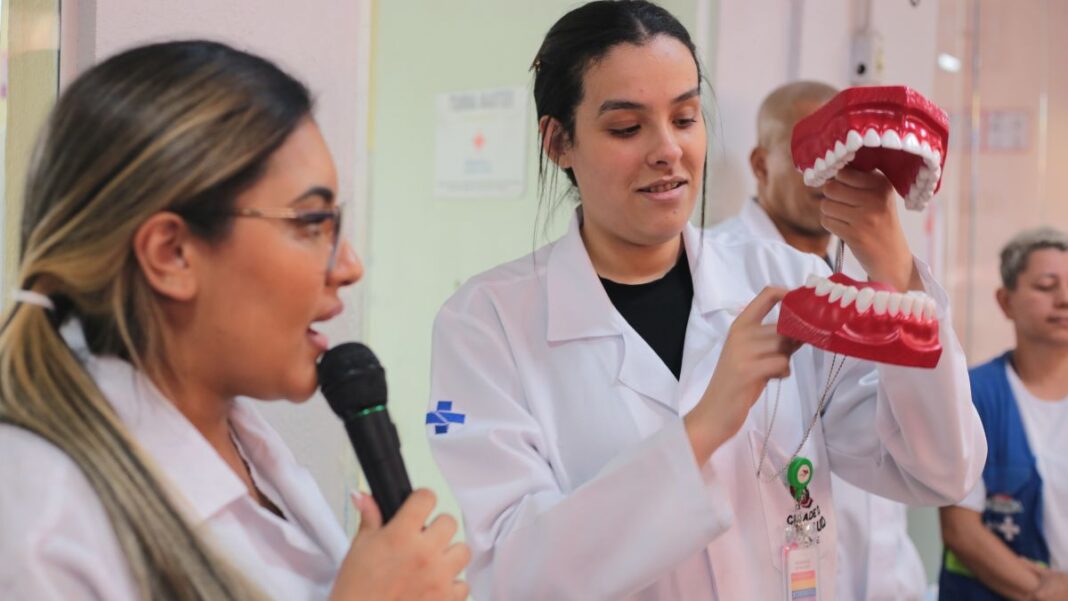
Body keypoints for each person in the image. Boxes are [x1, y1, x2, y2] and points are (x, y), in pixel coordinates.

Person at [426, 2, 984, 600]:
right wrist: (703, 427)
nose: (668, 150)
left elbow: (939, 471)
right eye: (627, 128)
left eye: (685, 118)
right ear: (559, 141)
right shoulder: (486, 324)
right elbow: (518, 574)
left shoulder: (783, 280)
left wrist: (894, 271)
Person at [0, 41, 468, 601]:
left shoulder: (246, 441)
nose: (348, 266)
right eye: (312, 221)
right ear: (172, 253)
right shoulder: (36, 517)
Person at [710, 80, 928, 600]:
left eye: (843, 152)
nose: (830, 170)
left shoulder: (880, 275)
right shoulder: (716, 282)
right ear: (761, 165)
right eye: (809, 150)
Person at [939, 227, 1068, 601]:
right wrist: (1044, 590)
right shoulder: (974, 394)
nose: (1064, 299)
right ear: (1005, 300)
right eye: (1046, 286)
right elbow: (962, 531)